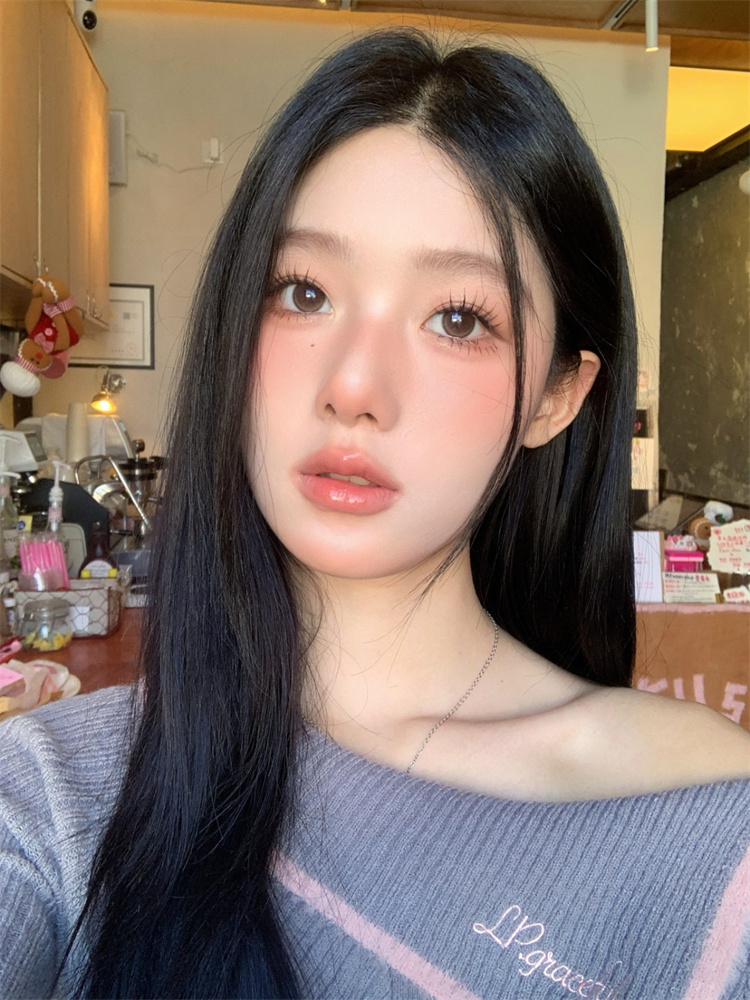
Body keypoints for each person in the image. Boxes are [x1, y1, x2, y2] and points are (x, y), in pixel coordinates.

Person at [1, 27, 748, 1000]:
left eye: (458, 318)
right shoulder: (54, 794)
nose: (354, 386)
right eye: (303, 291)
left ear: (557, 395)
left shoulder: (711, 829)